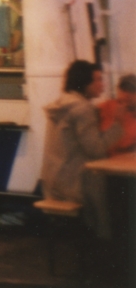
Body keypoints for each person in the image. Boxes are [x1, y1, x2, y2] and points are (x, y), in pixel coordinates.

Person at [42, 61, 126, 239]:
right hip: (74, 185)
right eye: (98, 80)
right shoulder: (82, 109)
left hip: (54, 182)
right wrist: (118, 124)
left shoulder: (62, 104)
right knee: (119, 192)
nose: (102, 84)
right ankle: (106, 246)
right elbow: (96, 149)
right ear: (84, 82)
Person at [98, 73, 136, 156]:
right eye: (124, 89)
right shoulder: (104, 107)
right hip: (106, 160)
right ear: (118, 90)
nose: (127, 94)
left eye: (132, 90)